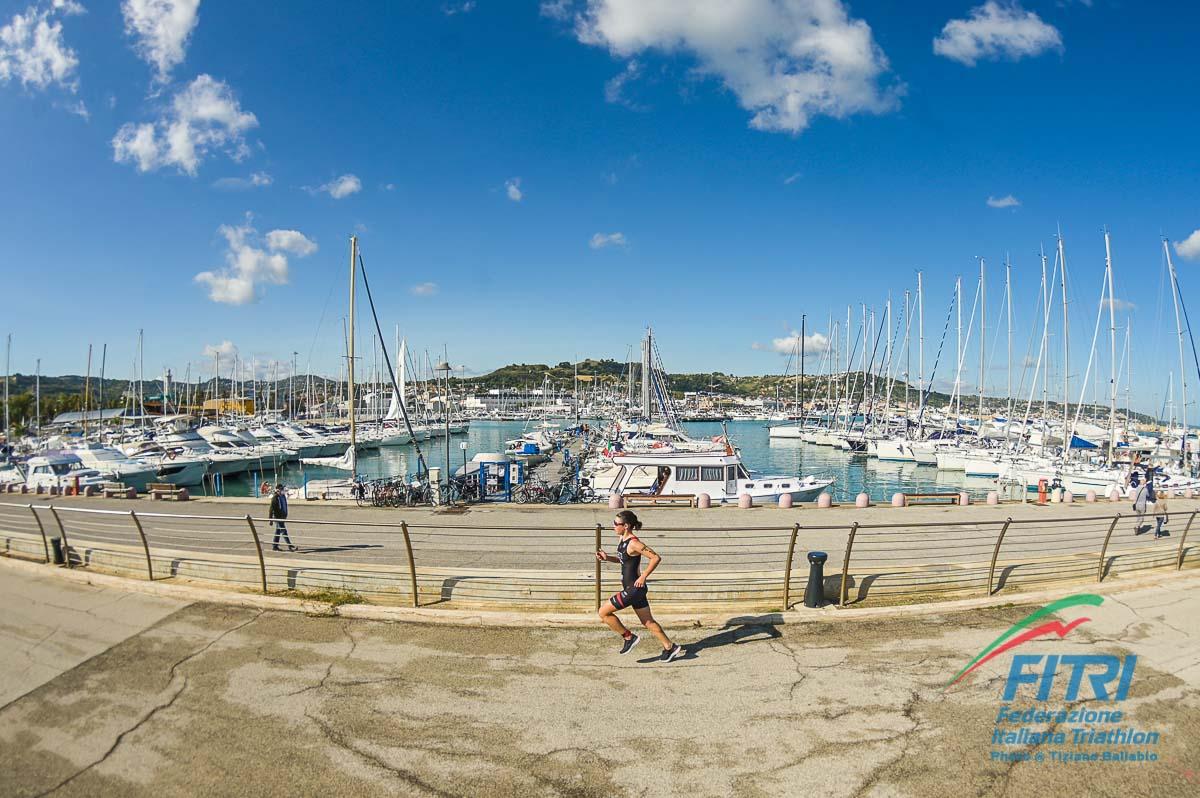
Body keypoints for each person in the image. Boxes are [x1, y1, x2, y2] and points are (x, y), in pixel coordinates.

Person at [596, 509, 683, 662]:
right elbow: (623, 560)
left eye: (617, 524)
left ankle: (629, 637)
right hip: (633, 589)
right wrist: (607, 558)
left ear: (626, 525)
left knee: (603, 612)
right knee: (648, 621)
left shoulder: (634, 543)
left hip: (634, 589)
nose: (613, 526)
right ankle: (670, 647)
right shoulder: (622, 540)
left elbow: (655, 557)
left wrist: (643, 576)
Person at [269, 483, 296, 552]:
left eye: (282, 489)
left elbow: (284, 506)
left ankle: (275, 546)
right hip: (277, 517)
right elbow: (271, 509)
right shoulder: (275, 498)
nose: (282, 490)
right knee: (284, 531)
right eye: (281, 489)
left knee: (278, 531)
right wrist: (270, 520)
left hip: (283, 516)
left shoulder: (283, 496)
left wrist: (285, 514)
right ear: (277, 490)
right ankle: (290, 546)